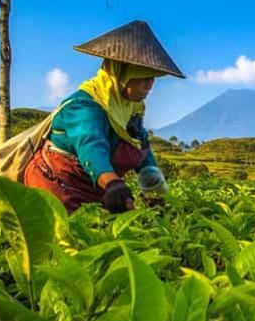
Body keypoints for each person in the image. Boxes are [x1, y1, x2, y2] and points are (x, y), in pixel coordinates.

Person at [24, 20, 184, 213]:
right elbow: (90, 144)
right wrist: (112, 183)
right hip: (58, 188)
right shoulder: (84, 105)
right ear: (122, 75)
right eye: (143, 78)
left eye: (152, 79)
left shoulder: (131, 108)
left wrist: (154, 189)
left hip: (95, 190)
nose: (149, 85)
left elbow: (140, 147)